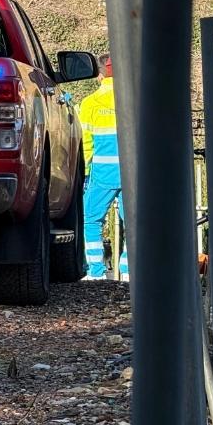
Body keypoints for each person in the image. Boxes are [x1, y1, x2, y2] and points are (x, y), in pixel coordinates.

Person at [80, 54, 128, 280]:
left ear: (99, 76)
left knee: (90, 219)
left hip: (102, 174)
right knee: (135, 224)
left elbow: (86, 144)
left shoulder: (90, 103)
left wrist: (85, 173)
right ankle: (129, 273)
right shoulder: (136, 99)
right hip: (132, 175)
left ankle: (96, 273)